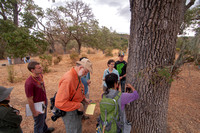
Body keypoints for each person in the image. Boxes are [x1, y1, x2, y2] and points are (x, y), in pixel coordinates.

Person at [55, 58, 93, 133]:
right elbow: (59, 103)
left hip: (75, 109)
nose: (85, 74)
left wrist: (84, 99)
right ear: (81, 68)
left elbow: (78, 90)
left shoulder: (77, 76)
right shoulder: (69, 79)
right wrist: (78, 105)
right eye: (86, 72)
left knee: (78, 128)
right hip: (69, 112)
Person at [25, 61, 54, 133]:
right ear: (32, 70)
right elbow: (29, 99)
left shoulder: (40, 76)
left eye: (41, 67)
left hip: (44, 101)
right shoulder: (29, 83)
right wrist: (34, 112)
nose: (41, 69)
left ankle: (45, 130)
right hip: (37, 105)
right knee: (38, 124)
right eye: (39, 68)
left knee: (43, 118)